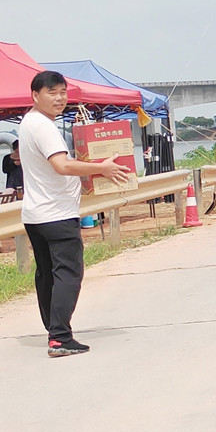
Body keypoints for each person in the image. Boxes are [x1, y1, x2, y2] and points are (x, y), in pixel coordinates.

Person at [16, 71, 132, 358]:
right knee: (68, 273)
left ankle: (53, 331)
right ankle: (60, 337)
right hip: (56, 214)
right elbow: (62, 165)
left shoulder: (28, 123)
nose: (59, 98)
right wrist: (101, 169)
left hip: (35, 214)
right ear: (35, 95)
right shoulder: (43, 127)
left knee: (47, 275)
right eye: (52, 92)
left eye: (63, 93)